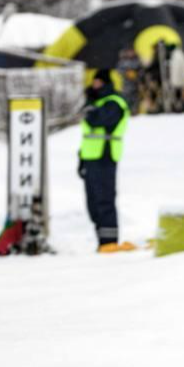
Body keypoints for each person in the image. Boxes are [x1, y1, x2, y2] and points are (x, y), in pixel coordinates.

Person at [78, 73, 131, 253]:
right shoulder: (96, 102)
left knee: (104, 200)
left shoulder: (115, 102)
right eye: (94, 82)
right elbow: (88, 135)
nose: (95, 85)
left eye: (99, 82)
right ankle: (102, 241)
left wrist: (91, 110)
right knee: (93, 203)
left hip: (105, 156)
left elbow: (98, 120)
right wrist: (82, 159)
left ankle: (109, 242)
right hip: (91, 158)